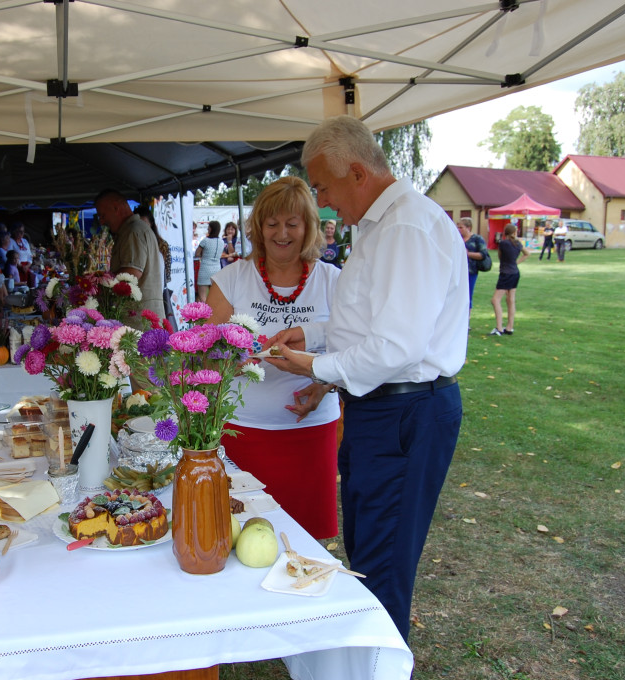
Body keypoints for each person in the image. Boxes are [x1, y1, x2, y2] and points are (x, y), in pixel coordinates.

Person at [264, 115, 467, 642]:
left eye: (325, 187)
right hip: (386, 406)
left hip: (405, 408)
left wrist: (314, 366)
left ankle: (381, 658)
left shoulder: (404, 227)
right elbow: (372, 323)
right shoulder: (384, 226)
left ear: (357, 173)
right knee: (370, 542)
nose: (324, 202)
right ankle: (367, 655)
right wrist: (311, 335)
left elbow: (397, 347)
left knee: (384, 558)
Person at [207, 177, 341, 540]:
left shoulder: (333, 280)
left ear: (308, 228)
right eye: (272, 223)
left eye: (292, 223)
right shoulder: (231, 278)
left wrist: (325, 384)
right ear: (258, 228)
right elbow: (203, 349)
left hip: (310, 435)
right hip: (242, 433)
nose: (282, 233)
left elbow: (354, 351)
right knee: (239, 536)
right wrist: (228, 361)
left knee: (307, 540)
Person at [94, 188, 165, 320]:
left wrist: (100, 284)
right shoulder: (132, 230)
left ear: (116, 208)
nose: (102, 221)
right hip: (141, 322)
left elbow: (130, 274)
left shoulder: (133, 232)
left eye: (103, 215)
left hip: (139, 325)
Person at [489, 223, 530, 336]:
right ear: (514, 233)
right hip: (515, 273)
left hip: (505, 273)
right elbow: (527, 253)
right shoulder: (517, 244)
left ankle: (499, 328)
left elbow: (500, 256)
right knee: (510, 299)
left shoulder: (503, 243)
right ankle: (509, 327)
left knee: (495, 300)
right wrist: (516, 263)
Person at [457, 217, 488, 312]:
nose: (458, 229)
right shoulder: (457, 238)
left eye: (461, 227)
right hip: (457, 271)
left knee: (467, 294)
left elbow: (483, 254)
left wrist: (468, 254)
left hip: (471, 271)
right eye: (457, 227)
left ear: (468, 228)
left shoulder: (477, 239)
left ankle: (467, 319)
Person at [193, 220, 223, 302]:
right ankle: (214, 312)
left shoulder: (205, 241)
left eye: (208, 227)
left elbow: (197, 253)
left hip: (205, 269)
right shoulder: (221, 242)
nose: (207, 229)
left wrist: (203, 255)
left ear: (211, 228)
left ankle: (205, 313)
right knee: (214, 296)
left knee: (202, 296)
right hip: (217, 269)